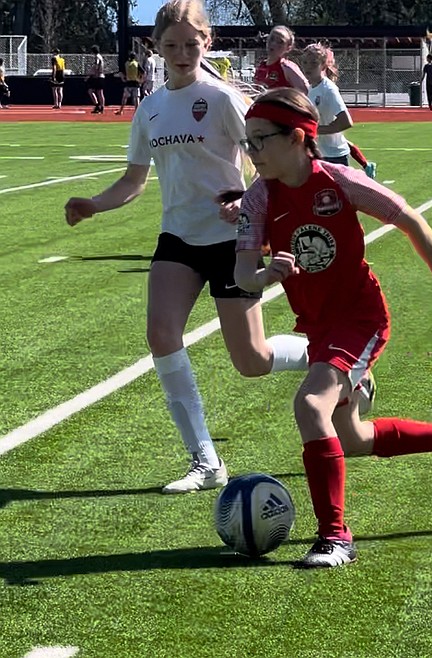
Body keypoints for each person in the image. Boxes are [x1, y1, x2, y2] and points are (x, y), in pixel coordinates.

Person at [234, 87, 432, 568]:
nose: (252, 152)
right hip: (318, 327)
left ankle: (335, 537)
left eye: (261, 139)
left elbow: (408, 218)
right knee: (349, 438)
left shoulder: (340, 181)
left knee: (310, 405)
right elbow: (243, 274)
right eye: (248, 142)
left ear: (297, 137)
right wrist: (266, 275)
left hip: (359, 318)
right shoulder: (258, 198)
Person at [64, 0, 309, 495]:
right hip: (177, 238)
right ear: (155, 47)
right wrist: (93, 204)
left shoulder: (222, 99)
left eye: (191, 44)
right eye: (171, 45)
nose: (181, 53)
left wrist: (245, 201)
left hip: (232, 240)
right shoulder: (150, 108)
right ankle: (205, 460)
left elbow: (267, 162)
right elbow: (133, 181)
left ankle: (329, 355)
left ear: (207, 43)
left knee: (252, 360)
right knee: (160, 334)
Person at [301, 43, 377, 178]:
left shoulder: (328, 89)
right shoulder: (310, 89)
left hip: (334, 157)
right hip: (318, 154)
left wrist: (316, 130)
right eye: (305, 62)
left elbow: (346, 122)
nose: (308, 67)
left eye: (314, 63)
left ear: (323, 66)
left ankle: (366, 170)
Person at [254, 25, 308, 93]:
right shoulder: (261, 66)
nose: (273, 44)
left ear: (288, 48)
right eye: (271, 39)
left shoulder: (286, 67)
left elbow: (306, 91)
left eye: (280, 42)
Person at [87, 45, 106, 114]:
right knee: (100, 92)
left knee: (91, 91)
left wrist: (90, 74)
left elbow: (96, 66)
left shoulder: (97, 57)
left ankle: (97, 105)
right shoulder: (100, 56)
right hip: (101, 76)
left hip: (97, 76)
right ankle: (101, 107)